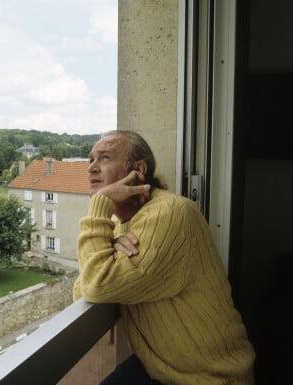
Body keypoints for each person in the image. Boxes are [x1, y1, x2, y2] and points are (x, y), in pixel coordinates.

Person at [73, 130, 255, 385]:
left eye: (104, 157)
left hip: (210, 377)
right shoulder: (118, 224)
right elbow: (82, 291)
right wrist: (111, 246)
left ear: (137, 168)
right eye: (90, 159)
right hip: (162, 368)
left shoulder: (171, 213)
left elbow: (96, 286)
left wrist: (100, 203)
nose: (91, 168)